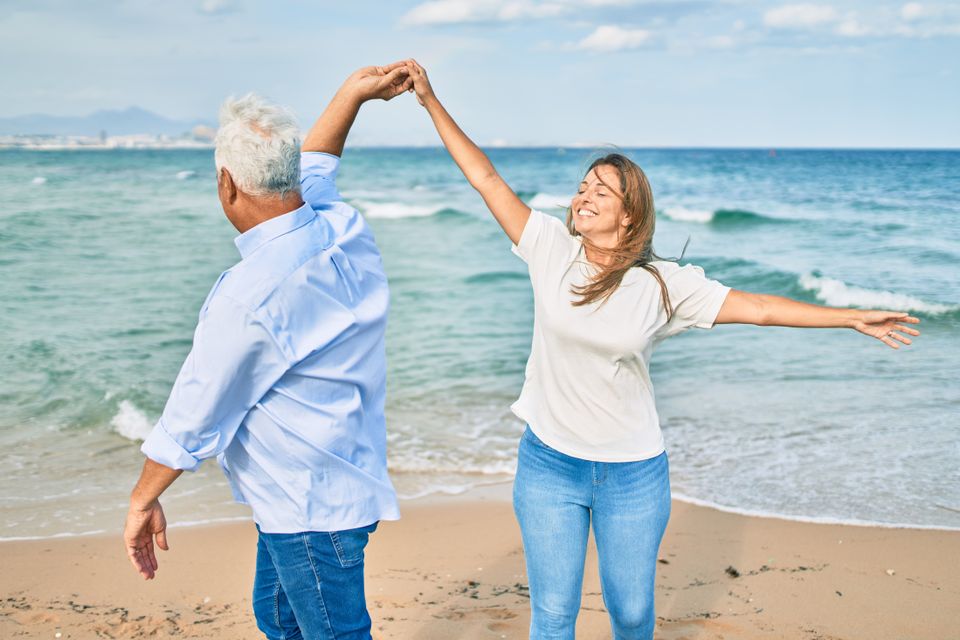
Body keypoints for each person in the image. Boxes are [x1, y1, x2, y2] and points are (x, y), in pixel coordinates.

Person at [402, 59, 921, 640]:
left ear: (628, 218)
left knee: (630, 614)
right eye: (582, 187)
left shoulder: (664, 285)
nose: (584, 196)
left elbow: (761, 308)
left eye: (602, 190)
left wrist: (851, 317)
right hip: (548, 463)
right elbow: (487, 179)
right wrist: (429, 100)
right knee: (551, 616)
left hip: (632, 474)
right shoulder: (549, 249)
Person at [122, 62, 414, 640]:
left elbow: (194, 412)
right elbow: (319, 166)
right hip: (331, 485)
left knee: (332, 633)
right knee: (279, 619)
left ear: (226, 184)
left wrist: (141, 501)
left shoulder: (250, 296)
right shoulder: (341, 226)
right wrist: (352, 95)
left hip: (310, 508)